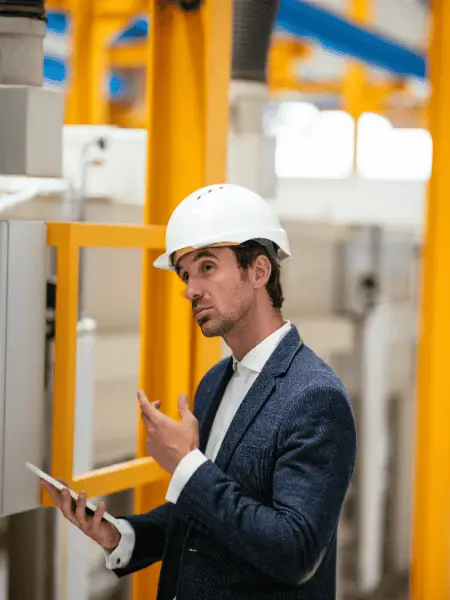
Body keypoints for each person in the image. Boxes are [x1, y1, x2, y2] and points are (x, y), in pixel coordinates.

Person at [43, 184, 357, 600]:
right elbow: (200, 514)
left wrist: (187, 464)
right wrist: (120, 535)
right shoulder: (214, 383)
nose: (190, 290)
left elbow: (294, 552)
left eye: (207, 266)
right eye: (185, 274)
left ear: (259, 271)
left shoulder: (315, 397)